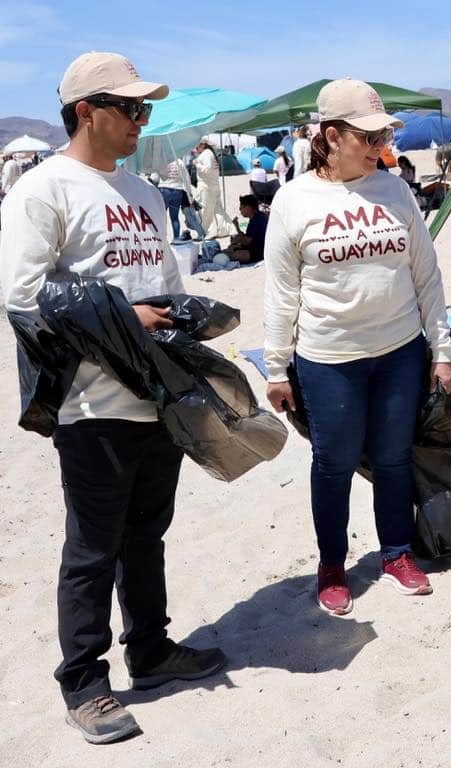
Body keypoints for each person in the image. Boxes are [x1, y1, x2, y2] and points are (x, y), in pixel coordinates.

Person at [0, 51, 226, 746]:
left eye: (144, 109)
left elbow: (158, 277)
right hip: (92, 404)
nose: (140, 120)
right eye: (129, 108)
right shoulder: (44, 190)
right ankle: (85, 683)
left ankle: (151, 651)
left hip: (155, 394)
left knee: (145, 538)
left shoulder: (143, 191)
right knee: (93, 547)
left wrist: (185, 316)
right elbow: (21, 295)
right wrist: (126, 318)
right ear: (86, 112)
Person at [262, 78, 451, 617]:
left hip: (398, 350)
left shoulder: (393, 189)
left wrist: (440, 350)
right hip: (328, 359)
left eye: (382, 135)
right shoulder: (294, 200)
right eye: (367, 137)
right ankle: (332, 564)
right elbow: (281, 292)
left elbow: (426, 271)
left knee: (395, 458)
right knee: (334, 462)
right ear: (330, 136)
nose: (379, 146)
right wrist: (276, 367)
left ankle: (396, 552)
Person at [193, 138, 231, 237]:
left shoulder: (206, 154)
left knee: (206, 210)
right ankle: (223, 230)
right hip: (213, 185)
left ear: (202, 145)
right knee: (218, 209)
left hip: (207, 186)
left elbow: (207, 170)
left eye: (197, 146)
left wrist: (197, 164)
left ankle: (207, 232)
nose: (196, 148)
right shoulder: (211, 154)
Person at [224, 194, 268, 263]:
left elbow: (246, 241)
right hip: (258, 249)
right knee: (234, 245)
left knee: (236, 255)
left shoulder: (257, 219)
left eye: (241, 208)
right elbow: (247, 238)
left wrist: (237, 229)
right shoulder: (258, 216)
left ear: (248, 207)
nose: (240, 211)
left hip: (258, 252)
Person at [157, 159, 187, 240]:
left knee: (161, 216)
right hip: (177, 190)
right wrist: (189, 192)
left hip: (165, 189)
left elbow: (155, 177)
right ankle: (176, 238)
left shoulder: (162, 160)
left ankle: (162, 237)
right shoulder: (180, 162)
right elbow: (186, 178)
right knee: (175, 217)